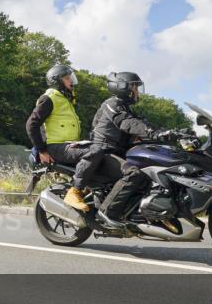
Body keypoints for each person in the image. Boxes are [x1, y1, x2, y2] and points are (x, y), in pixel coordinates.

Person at [81, 72, 177, 225]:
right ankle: (107, 212)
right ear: (122, 87)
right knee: (134, 173)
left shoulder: (126, 107)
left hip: (118, 152)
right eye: (134, 87)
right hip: (104, 152)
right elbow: (127, 123)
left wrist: (171, 133)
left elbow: (142, 123)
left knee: (149, 167)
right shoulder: (111, 105)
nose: (137, 91)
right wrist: (152, 132)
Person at [26, 64, 89, 211]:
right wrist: (42, 150)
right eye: (67, 78)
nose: (71, 81)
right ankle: (75, 192)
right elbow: (31, 124)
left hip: (68, 145)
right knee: (93, 153)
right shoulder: (50, 98)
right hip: (56, 147)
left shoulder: (65, 100)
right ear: (57, 81)